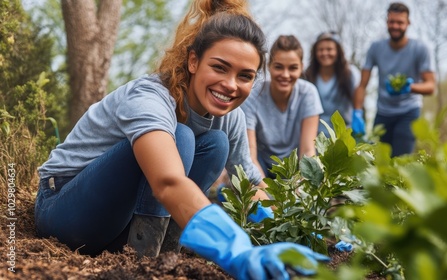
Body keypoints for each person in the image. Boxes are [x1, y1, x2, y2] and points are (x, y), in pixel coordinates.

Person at [34, 1, 328, 279]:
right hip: (65, 208)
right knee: (182, 137)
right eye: (220, 67)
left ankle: (162, 252)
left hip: (117, 222)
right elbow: (168, 181)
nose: (230, 85)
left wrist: (299, 225)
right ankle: (144, 261)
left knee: (216, 145)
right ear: (193, 61)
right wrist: (233, 247)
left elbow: (250, 179)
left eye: (245, 76)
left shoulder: (230, 116)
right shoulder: (150, 97)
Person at [352, 2, 435, 156]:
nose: (395, 26)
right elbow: (362, 85)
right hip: (383, 111)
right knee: (378, 160)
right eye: (392, 22)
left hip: (409, 111)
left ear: (408, 23)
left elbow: (430, 86)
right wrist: (357, 112)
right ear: (387, 22)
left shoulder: (420, 49)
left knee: (400, 160)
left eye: (400, 22)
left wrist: (410, 87)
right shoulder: (376, 48)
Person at [241, 35, 323, 178]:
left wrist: (300, 188)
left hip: (294, 166)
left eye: (293, 68)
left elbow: (308, 150)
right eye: (278, 67)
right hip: (261, 164)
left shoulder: (308, 94)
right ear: (269, 66)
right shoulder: (253, 95)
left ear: (301, 68)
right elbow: (250, 154)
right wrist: (264, 192)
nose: (285, 75)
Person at [304, 31, 360, 136]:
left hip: (343, 134)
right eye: (320, 50)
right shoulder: (308, 75)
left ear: (338, 51)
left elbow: (358, 95)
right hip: (315, 135)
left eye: (329, 49)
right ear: (315, 52)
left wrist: (358, 113)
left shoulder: (351, 74)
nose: (325, 53)